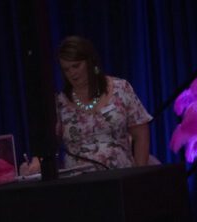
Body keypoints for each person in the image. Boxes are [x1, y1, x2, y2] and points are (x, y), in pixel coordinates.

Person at [56, 35, 151, 170]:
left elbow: (141, 134)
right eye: (66, 69)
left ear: (90, 62)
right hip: (79, 180)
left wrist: (140, 174)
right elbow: (49, 143)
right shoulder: (60, 102)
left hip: (120, 175)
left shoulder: (121, 89)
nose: (72, 73)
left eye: (76, 66)